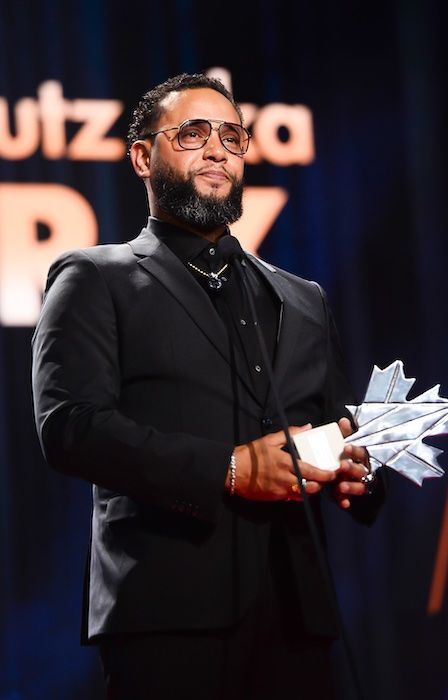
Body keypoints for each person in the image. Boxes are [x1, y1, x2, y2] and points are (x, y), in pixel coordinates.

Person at [32, 72, 385, 699]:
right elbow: (70, 428)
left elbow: (336, 428)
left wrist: (359, 470)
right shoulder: (94, 276)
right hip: (167, 615)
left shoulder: (304, 299)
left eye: (232, 136)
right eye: (193, 134)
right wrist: (228, 467)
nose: (218, 150)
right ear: (143, 156)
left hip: (297, 619)